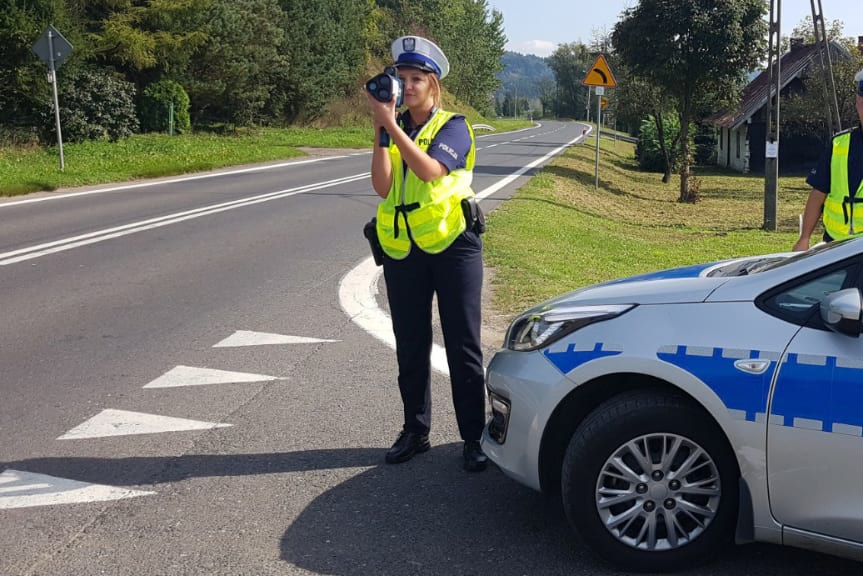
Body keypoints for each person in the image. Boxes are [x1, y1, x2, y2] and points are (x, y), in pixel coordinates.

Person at [366, 35, 488, 472]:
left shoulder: (454, 125)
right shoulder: (390, 125)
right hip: (404, 250)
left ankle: (474, 438)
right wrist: (383, 133)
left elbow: (431, 170)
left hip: (454, 246)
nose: (407, 85)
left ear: (433, 85)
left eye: (416, 78)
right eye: (401, 78)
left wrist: (392, 128)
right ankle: (415, 431)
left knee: (463, 345)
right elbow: (382, 187)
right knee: (411, 345)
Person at [793, 68, 863, 251]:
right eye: (862, 94)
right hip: (834, 247)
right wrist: (804, 238)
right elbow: (819, 192)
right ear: (857, 100)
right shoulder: (839, 143)